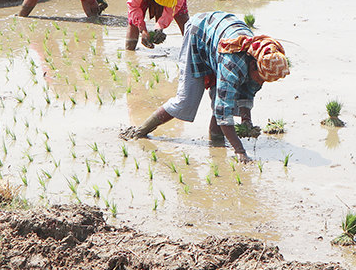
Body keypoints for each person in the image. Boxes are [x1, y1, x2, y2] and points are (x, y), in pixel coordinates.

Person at [123, 11, 289, 162]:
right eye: (260, 78)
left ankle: (216, 140)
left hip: (220, 38)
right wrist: (239, 150)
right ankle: (140, 131)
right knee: (186, 100)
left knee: (225, 95)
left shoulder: (265, 55)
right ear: (253, 64)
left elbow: (248, 90)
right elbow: (223, 110)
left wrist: (246, 120)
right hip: (199, 33)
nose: (260, 82)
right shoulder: (232, 65)